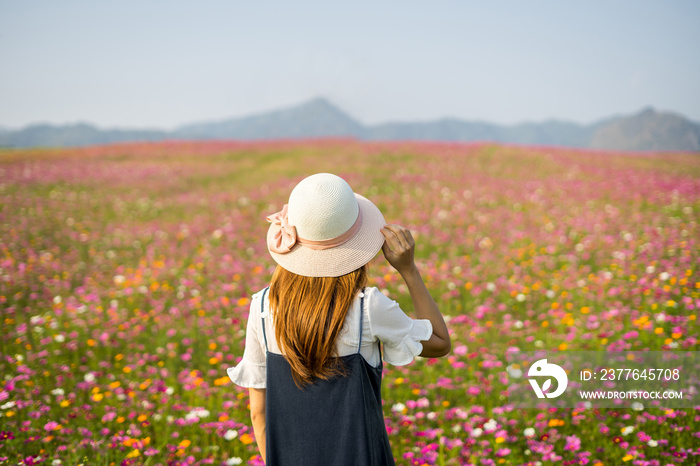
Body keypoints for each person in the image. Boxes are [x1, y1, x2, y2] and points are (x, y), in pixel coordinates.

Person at [227, 173, 451, 465]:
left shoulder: (262, 306)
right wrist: (409, 271)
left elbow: (258, 413)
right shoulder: (367, 306)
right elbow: (440, 342)